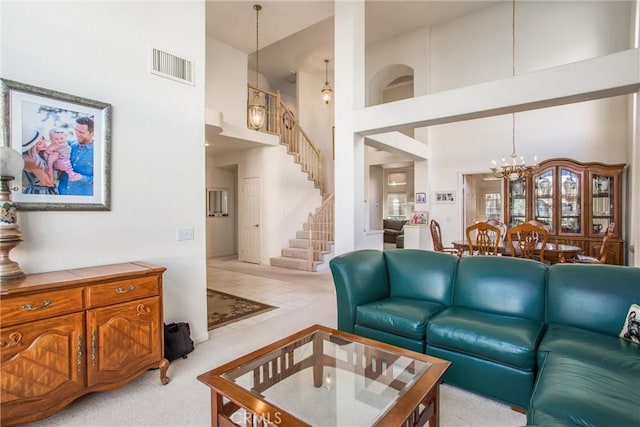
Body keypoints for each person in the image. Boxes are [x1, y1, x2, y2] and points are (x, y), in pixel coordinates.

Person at [58, 116, 94, 196]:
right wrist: (57, 164)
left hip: (82, 199)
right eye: (76, 130)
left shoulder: (98, 152)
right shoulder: (68, 145)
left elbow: (102, 180)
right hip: (61, 194)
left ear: (92, 133)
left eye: (81, 132)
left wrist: (81, 178)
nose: (77, 134)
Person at [22, 123, 58, 194]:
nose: (44, 143)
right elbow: (49, 183)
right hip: (39, 192)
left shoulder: (40, 154)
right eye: (39, 143)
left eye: (43, 139)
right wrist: (50, 162)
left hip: (46, 191)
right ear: (32, 147)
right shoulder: (30, 160)